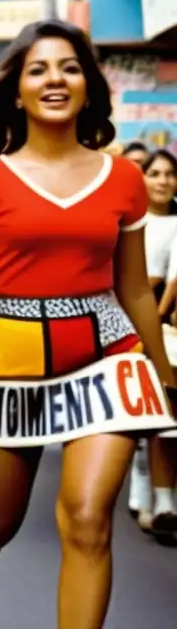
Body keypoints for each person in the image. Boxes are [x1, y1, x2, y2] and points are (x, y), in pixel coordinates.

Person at [0, 20, 177, 629]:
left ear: (88, 86)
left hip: (107, 350)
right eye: (38, 69)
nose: (54, 79)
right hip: (14, 350)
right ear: (18, 91)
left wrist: (164, 372)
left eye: (69, 67)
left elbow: (135, 289)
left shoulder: (123, 177)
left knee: (88, 518)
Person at [127, 150, 177, 537]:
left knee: (164, 410)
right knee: (133, 410)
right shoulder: (129, 220)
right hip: (120, 322)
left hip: (159, 326)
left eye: (170, 174)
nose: (162, 181)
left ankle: (162, 502)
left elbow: (171, 281)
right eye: (154, 173)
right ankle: (141, 483)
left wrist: (152, 322)